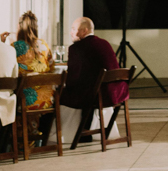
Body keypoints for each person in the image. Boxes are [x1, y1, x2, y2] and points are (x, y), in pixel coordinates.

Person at [49, 17, 127, 145]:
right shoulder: (105, 43)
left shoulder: (77, 48)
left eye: (74, 29)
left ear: (84, 31)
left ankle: (63, 133)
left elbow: (73, 79)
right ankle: (86, 131)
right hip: (113, 93)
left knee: (57, 94)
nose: (71, 32)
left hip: (94, 96)